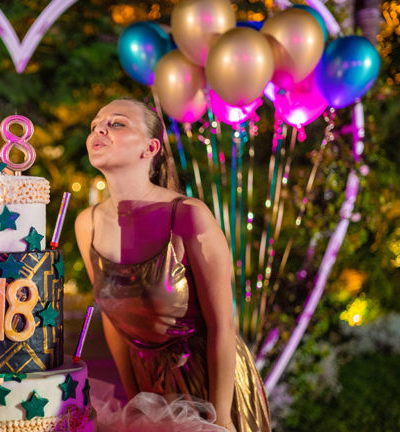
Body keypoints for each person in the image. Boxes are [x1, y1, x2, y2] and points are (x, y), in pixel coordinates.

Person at [74, 98, 271, 432]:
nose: (100, 129)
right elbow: (113, 318)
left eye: (117, 123)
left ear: (150, 148)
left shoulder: (188, 215)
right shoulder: (86, 224)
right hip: (147, 384)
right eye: (95, 124)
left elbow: (223, 326)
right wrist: (136, 400)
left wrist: (219, 420)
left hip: (208, 381)